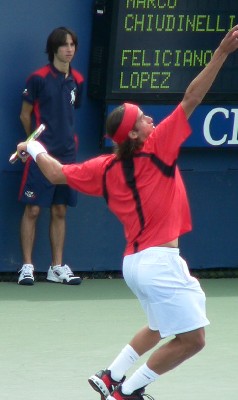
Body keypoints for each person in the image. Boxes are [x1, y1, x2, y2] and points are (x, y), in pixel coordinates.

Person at [17, 26, 238, 399]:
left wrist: (31, 146)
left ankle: (110, 376)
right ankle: (128, 392)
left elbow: (54, 172)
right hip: (159, 262)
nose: (151, 120)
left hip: (134, 263)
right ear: (134, 135)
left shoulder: (104, 167)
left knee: (158, 326)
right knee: (194, 339)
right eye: (144, 119)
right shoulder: (159, 146)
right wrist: (222, 52)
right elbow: (193, 96)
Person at [18, 27, 84, 285]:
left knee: (59, 210)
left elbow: (71, 111)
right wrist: (31, 144)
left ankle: (56, 267)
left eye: (72, 45)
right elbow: (25, 115)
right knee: (33, 209)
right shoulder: (37, 79)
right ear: (54, 49)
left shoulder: (77, 79)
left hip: (67, 155)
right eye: (65, 45)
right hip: (40, 154)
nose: (70, 49)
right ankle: (27, 267)